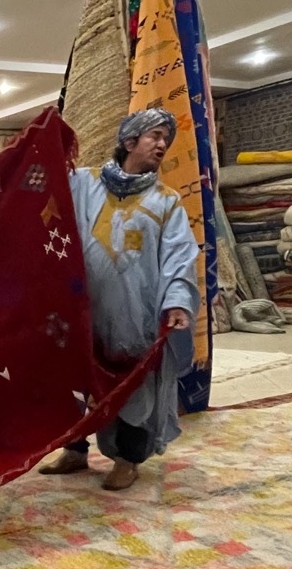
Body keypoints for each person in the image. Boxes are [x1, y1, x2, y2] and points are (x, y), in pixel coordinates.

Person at [40, 108, 199, 491]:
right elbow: (43, 188)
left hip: (135, 315)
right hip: (82, 311)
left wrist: (177, 301)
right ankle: (74, 450)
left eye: (166, 139)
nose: (162, 144)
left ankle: (127, 460)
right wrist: (45, 141)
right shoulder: (83, 183)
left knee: (133, 388)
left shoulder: (166, 202)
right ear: (130, 141)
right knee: (75, 384)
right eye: (155, 136)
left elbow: (179, 256)